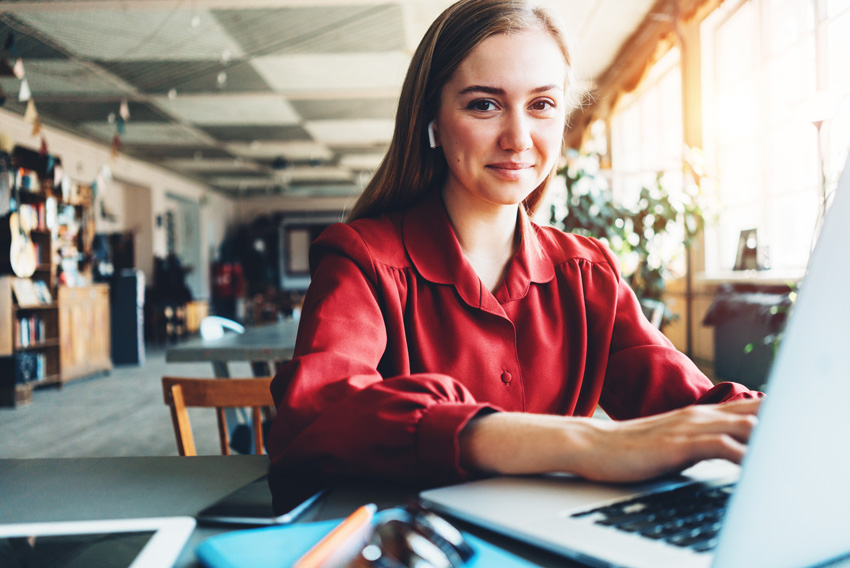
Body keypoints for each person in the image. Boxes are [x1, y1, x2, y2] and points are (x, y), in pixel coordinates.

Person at [266, 0, 761, 494]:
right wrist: (583, 443)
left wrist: (776, 418)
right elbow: (312, 418)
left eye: (542, 105)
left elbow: (696, 407)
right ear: (431, 120)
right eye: (484, 104)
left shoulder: (587, 272)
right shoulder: (361, 259)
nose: (518, 138)